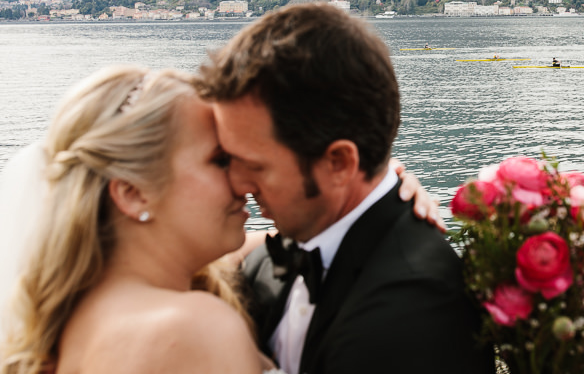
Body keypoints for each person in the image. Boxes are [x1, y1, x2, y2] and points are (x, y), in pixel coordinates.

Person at [0, 67, 437, 374]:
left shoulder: (74, 315)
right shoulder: (192, 328)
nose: (242, 182)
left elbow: (286, 244)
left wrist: (364, 194)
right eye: (220, 160)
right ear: (133, 193)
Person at [195, 3, 493, 374]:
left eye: (255, 165)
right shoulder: (268, 260)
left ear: (338, 163)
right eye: (226, 159)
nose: (236, 184)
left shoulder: (412, 310)